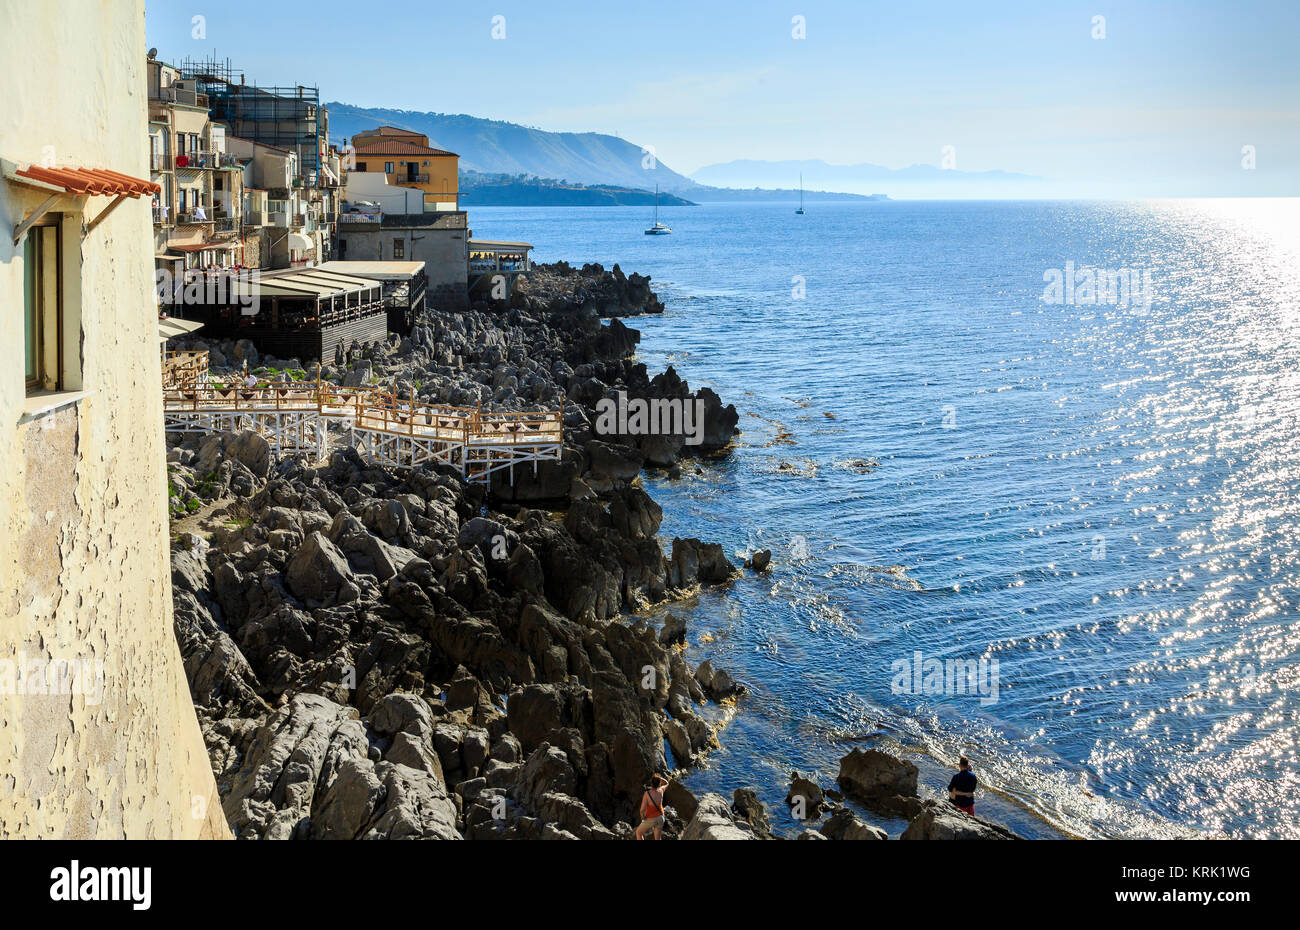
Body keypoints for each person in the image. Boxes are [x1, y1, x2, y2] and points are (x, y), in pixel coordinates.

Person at [634, 774, 669, 840]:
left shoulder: (647, 794)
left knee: (638, 833)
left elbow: (642, 810)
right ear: (659, 783)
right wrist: (660, 778)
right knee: (657, 838)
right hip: (661, 817)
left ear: (651, 783)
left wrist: (643, 817)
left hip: (651, 818)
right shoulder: (661, 790)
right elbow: (667, 783)